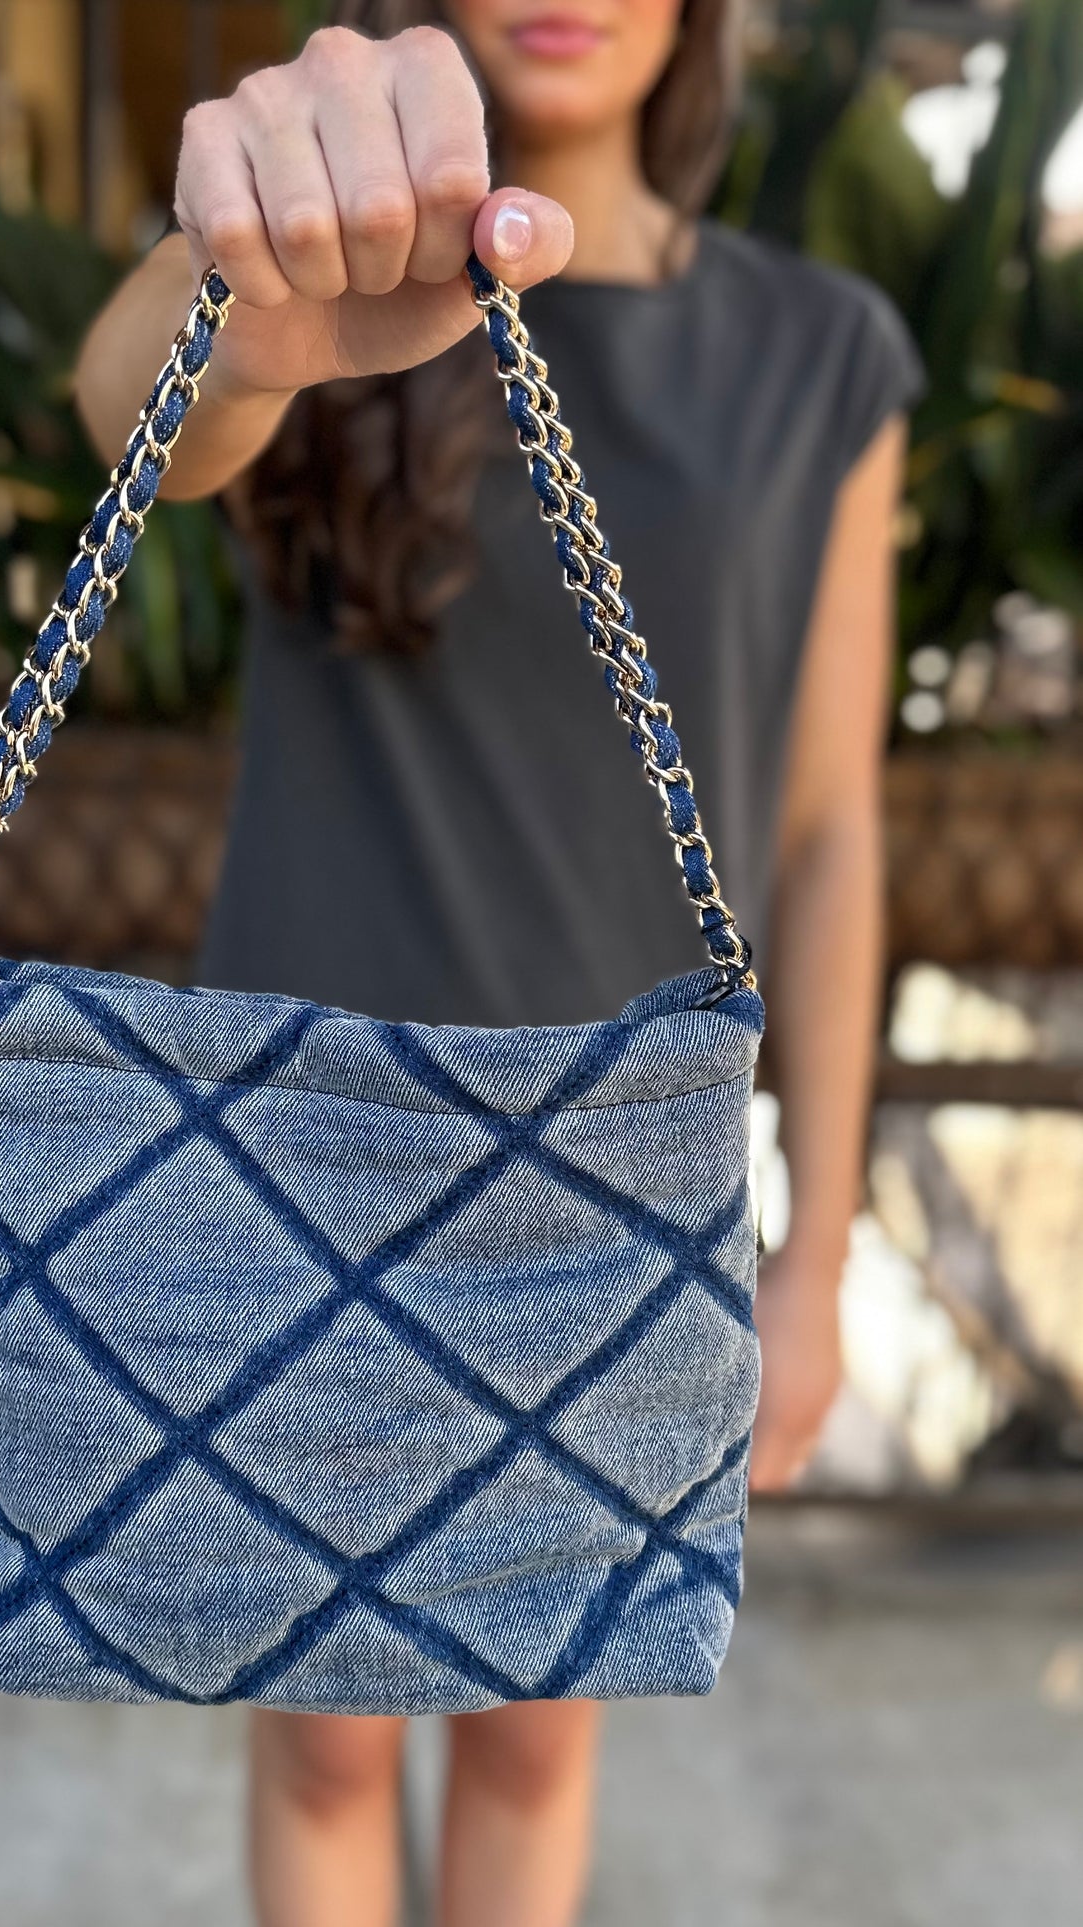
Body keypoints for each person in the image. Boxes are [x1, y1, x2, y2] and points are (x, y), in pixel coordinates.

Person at [76, 3, 923, 1922]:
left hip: (610, 1175)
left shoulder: (821, 352)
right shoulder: (323, 245)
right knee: (320, 1734)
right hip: (296, 1143)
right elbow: (133, 410)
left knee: (539, 1727)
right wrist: (237, 277)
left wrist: (814, 1251)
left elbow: (825, 831)